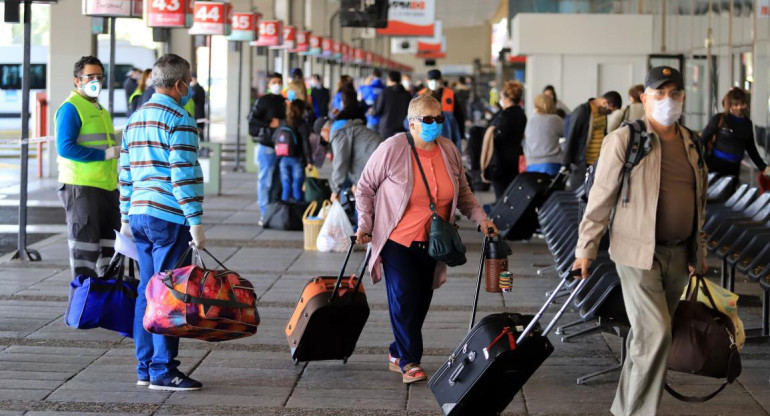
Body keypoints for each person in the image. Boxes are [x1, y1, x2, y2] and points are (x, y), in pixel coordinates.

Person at [573, 66, 708, 416]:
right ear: (644, 98)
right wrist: (586, 249)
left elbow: (700, 203)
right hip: (636, 253)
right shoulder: (625, 139)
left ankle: (622, 409)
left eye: (674, 93)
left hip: (679, 255)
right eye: (659, 93)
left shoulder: (692, 142)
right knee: (657, 334)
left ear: (683, 97)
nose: (667, 100)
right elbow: (600, 198)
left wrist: (699, 251)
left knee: (645, 340)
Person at [355, 94, 498, 384]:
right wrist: (365, 224)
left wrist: (481, 218)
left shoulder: (448, 150)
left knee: (419, 303)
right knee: (404, 300)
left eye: (439, 119)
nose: (436, 125)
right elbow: (365, 188)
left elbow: (465, 194)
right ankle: (410, 362)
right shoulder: (392, 148)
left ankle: (397, 352)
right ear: (412, 123)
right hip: (398, 241)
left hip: (434, 243)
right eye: (428, 120)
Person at [119, 53, 206, 391]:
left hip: (140, 215)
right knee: (169, 293)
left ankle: (145, 367)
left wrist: (126, 213)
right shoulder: (179, 118)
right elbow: (182, 175)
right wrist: (195, 221)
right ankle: (163, 370)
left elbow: (125, 173)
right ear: (181, 83)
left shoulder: (135, 118)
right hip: (168, 216)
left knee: (147, 290)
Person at [55, 56, 121, 279]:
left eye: (99, 77)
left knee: (110, 252)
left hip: (106, 187)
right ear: (77, 80)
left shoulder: (100, 109)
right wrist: (105, 154)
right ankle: (82, 309)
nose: (95, 81)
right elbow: (65, 148)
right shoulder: (71, 108)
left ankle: (105, 306)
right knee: (85, 254)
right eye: (89, 76)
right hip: (81, 188)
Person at [701, 87, 770, 179]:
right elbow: (703, 139)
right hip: (715, 165)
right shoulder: (720, 119)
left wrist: (763, 167)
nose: (739, 107)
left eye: (742, 104)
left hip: (735, 167)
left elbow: (751, 148)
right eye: (736, 104)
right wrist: (702, 161)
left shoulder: (747, 124)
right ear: (730, 106)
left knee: (730, 191)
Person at [247, 72, 287, 222]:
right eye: (274, 82)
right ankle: (264, 213)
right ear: (269, 85)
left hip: (283, 147)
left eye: (279, 81)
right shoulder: (263, 101)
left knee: (279, 181)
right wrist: (269, 124)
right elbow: (252, 120)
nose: (277, 84)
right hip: (267, 146)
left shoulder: (285, 101)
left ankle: (273, 211)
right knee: (266, 181)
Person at [329, 98, 382, 202]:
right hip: (378, 166)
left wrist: (335, 191)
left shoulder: (339, 133)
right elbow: (359, 157)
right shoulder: (352, 129)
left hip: (378, 169)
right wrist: (356, 182)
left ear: (325, 130)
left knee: (364, 206)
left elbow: (340, 162)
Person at [562, 91, 618, 189]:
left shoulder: (602, 113)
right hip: (581, 165)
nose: (610, 113)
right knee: (579, 198)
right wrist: (566, 163)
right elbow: (571, 136)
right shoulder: (582, 111)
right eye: (610, 110)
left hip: (597, 164)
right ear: (605, 103)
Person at [480, 80, 527, 198]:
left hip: (500, 163)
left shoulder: (506, 115)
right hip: (514, 160)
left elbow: (499, 138)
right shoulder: (521, 114)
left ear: (508, 98)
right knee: (509, 195)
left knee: (501, 196)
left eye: (501, 97)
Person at [278, 99, 314, 202]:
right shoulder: (301, 124)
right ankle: (297, 212)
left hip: (283, 158)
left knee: (286, 186)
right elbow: (305, 144)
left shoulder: (284, 122)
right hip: (297, 159)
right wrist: (309, 161)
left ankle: (284, 212)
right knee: (297, 186)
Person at [418, 69, 463, 149]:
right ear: (427, 80)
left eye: (436, 79)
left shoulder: (450, 94)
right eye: (431, 79)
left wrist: (461, 135)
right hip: (426, 136)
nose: (434, 81)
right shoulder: (419, 95)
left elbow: (459, 116)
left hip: (447, 134)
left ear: (441, 80)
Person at [523, 94, 563, 176]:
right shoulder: (556, 120)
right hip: (552, 162)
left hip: (531, 163)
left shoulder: (530, 121)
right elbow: (568, 135)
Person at [373, 70, 412, 140]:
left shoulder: (384, 93)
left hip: (386, 128)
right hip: (402, 128)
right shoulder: (407, 94)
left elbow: (377, 110)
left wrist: (372, 112)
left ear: (389, 79)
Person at [190, 73, 206, 140]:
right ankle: (202, 145)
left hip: (197, 112)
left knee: (198, 129)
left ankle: (202, 145)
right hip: (200, 112)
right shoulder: (200, 88)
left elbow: (193, 99)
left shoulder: (195, 89)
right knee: (200, 129)